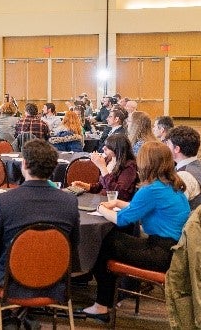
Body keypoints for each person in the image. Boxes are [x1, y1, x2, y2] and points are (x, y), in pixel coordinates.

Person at [82, 141, 190, 322]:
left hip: (161, 253)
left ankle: (102, 304)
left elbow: (122, 219)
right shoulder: (170, 185)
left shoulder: (151, 189)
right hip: (174, 250)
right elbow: (141, 208)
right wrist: (116, 203)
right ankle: (109, 299)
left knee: (104, 242)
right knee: (111, 239)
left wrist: (101, 208)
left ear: (146, 163)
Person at [0, 139, 80, 327]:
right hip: (55, 280)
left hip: (14, 282)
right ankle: (20, 315)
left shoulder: (4, 201)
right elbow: (73, 245)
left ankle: (9, 315)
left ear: (24, 164)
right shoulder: (70, 202)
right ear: (54, 168)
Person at [72, 134, 138, 201]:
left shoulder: (129, 166)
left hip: (114, 204)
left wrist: (102, 168)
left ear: (118, 149)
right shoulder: (109, 159)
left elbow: (120, 193)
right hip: (102, 199)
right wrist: (87, 187)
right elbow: (103, 185)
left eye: (108, 147)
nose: (103, 148)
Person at [166, 125, 201, 209]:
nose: (166, 147)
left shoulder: (184, 176)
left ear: (177, 149)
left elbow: (173, 209)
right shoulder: (196, 165)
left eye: (168, 144)